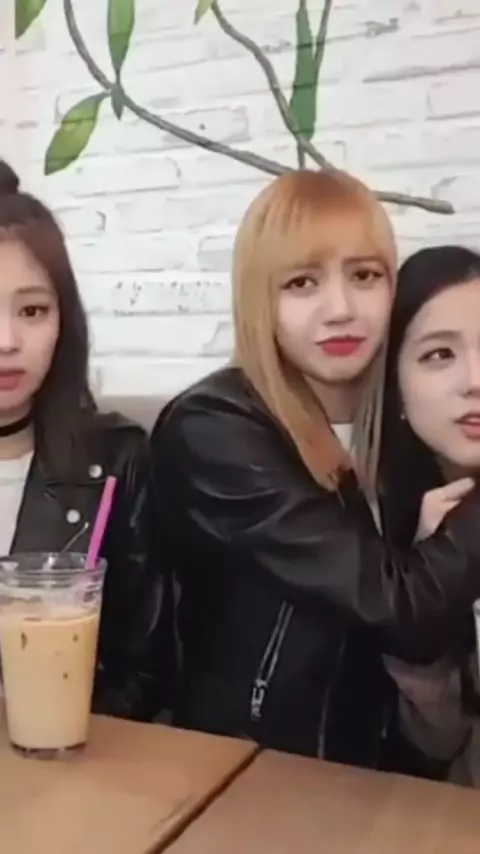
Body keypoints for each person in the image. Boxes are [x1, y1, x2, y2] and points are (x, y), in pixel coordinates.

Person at [151, 169, 480, 769]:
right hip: (250, 773)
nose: (341, 310)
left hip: (383, 779)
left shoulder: (407, 425)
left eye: (365, 276)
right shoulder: (214, 427)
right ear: (260, 299)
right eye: (302, 282)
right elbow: (398, 605)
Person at [0, 160, 174, 721]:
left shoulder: (115, 460)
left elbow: (144, 673)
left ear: (63, 322)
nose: (7, 340)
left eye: (32, 310)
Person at [381, 245, 480, 783]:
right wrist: (431, 583)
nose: (475, 380)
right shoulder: (383, 519)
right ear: (395, 388)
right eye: (439, 354)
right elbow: (434, 743)